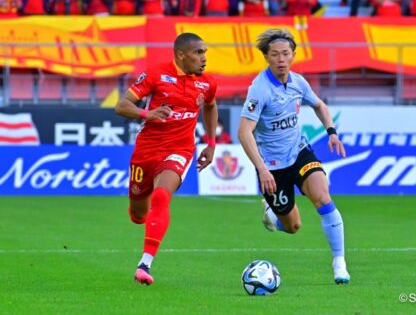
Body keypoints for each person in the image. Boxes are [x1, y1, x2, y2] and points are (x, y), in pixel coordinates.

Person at [238, 28, 350, 284]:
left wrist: (331, 132)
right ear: (266, 57)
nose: (281, 59)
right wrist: (262, 169)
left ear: (293, 55)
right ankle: (271, 215)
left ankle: (339, 262)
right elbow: (244, 132)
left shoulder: (298, 82)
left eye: (285, 54)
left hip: (299, 151)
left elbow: (320, 105)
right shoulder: (259, 89)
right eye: (275, 54)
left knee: (323, 197)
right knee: (293, 226)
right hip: (272, 167)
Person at [115, 32, 218, 285]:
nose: (204, 58)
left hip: (180, 149)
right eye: (198, 53)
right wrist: (146, 114)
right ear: (181, 55)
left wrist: (212, 143)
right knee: (138, 215)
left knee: (162, 196)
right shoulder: (156, 74)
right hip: (146, 151)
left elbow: (210, 106)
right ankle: (142, 212)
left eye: (205, 52)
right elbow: (121, 105)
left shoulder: (207, 83)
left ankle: (145, 264)